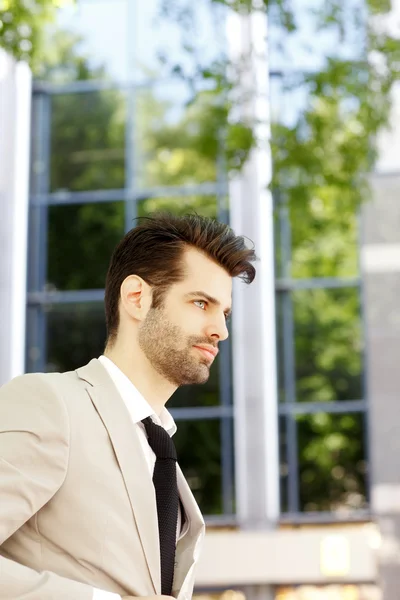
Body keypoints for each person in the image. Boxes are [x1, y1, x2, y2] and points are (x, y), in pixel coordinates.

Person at [0, 213, 256, 600]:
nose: (220, 329)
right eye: (201, 302)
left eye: (224, 312)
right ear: (137, 297)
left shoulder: (158, 446)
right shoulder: (51, 404)